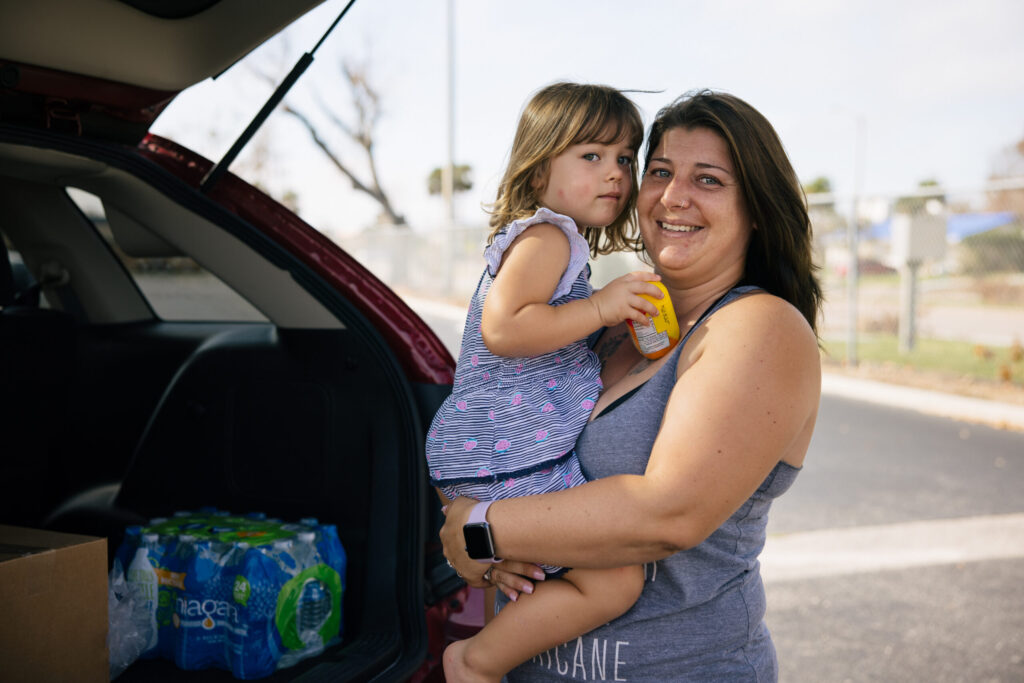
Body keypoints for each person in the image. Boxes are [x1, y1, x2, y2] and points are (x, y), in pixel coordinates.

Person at [439, 89, 824, 681]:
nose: (673, 196)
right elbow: (518, 463)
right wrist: (492, 554)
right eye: (661, 172)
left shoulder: (760, 327)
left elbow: (668, 514)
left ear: (756, 208)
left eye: (709, 180)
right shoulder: (605, 326)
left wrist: (477, 527)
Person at [428, 82, 668, 682]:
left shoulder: (559, 247)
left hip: (496, 450)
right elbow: (505, 328)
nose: (614, 173)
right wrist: (601, 308)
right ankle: (475, 662)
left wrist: (605, 318)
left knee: (526, 574)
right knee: (615, 577)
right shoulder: (548, 237)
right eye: (592, 155)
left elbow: (544, 329)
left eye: (625, 158)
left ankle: (489, 652)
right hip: (506, 449)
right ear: (538, 171)